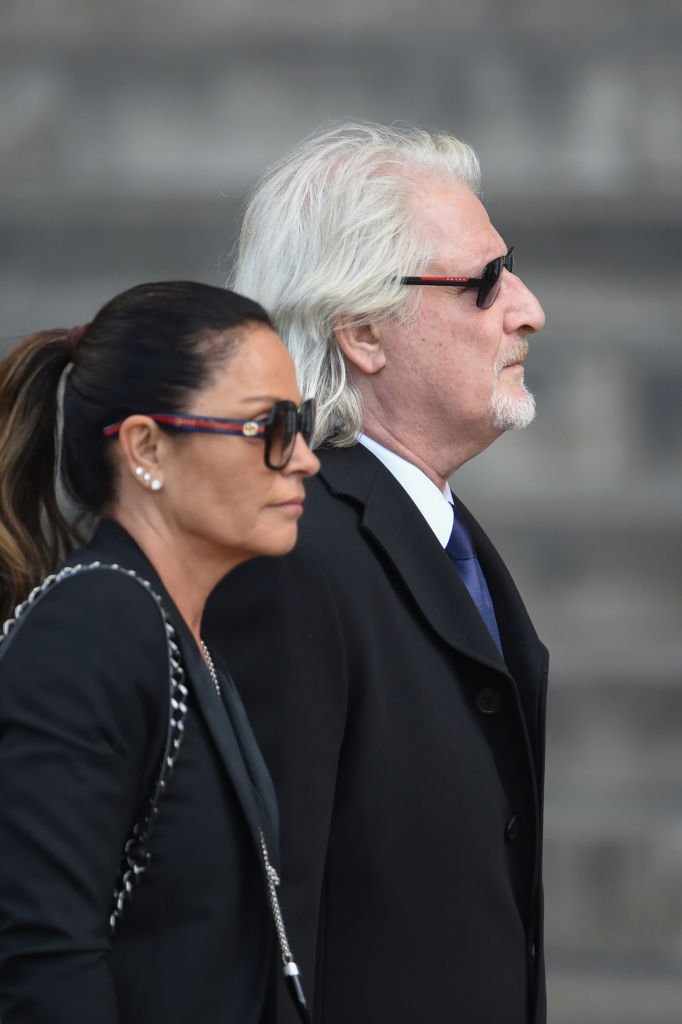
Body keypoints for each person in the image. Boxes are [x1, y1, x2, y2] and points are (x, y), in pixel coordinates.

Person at [204, 123, 549, 1024]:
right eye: (482, 283)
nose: (527, 308)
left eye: (508, 270)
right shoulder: (288, 556)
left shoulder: (429, 526)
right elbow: (260, 932)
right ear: (362, 331)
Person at [0, 280, 319, 1024]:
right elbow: (41, 961)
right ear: (146, 446)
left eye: (298, 424)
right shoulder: (93, 627)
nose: (303, 458)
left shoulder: (172, 629)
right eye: (268, 427)